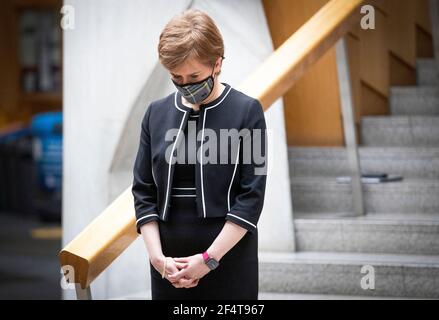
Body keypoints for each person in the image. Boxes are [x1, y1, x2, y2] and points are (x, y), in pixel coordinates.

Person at [132, 8, 267, 300]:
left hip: (228, 260)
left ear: (217, 63)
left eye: (194, 75)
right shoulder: (155, 114)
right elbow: (143, 192)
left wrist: (208, 260)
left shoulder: (248, 111)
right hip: (168, 264)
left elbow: (250, 198)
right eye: (176, 78)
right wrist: (158, 260)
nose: (186, 85)